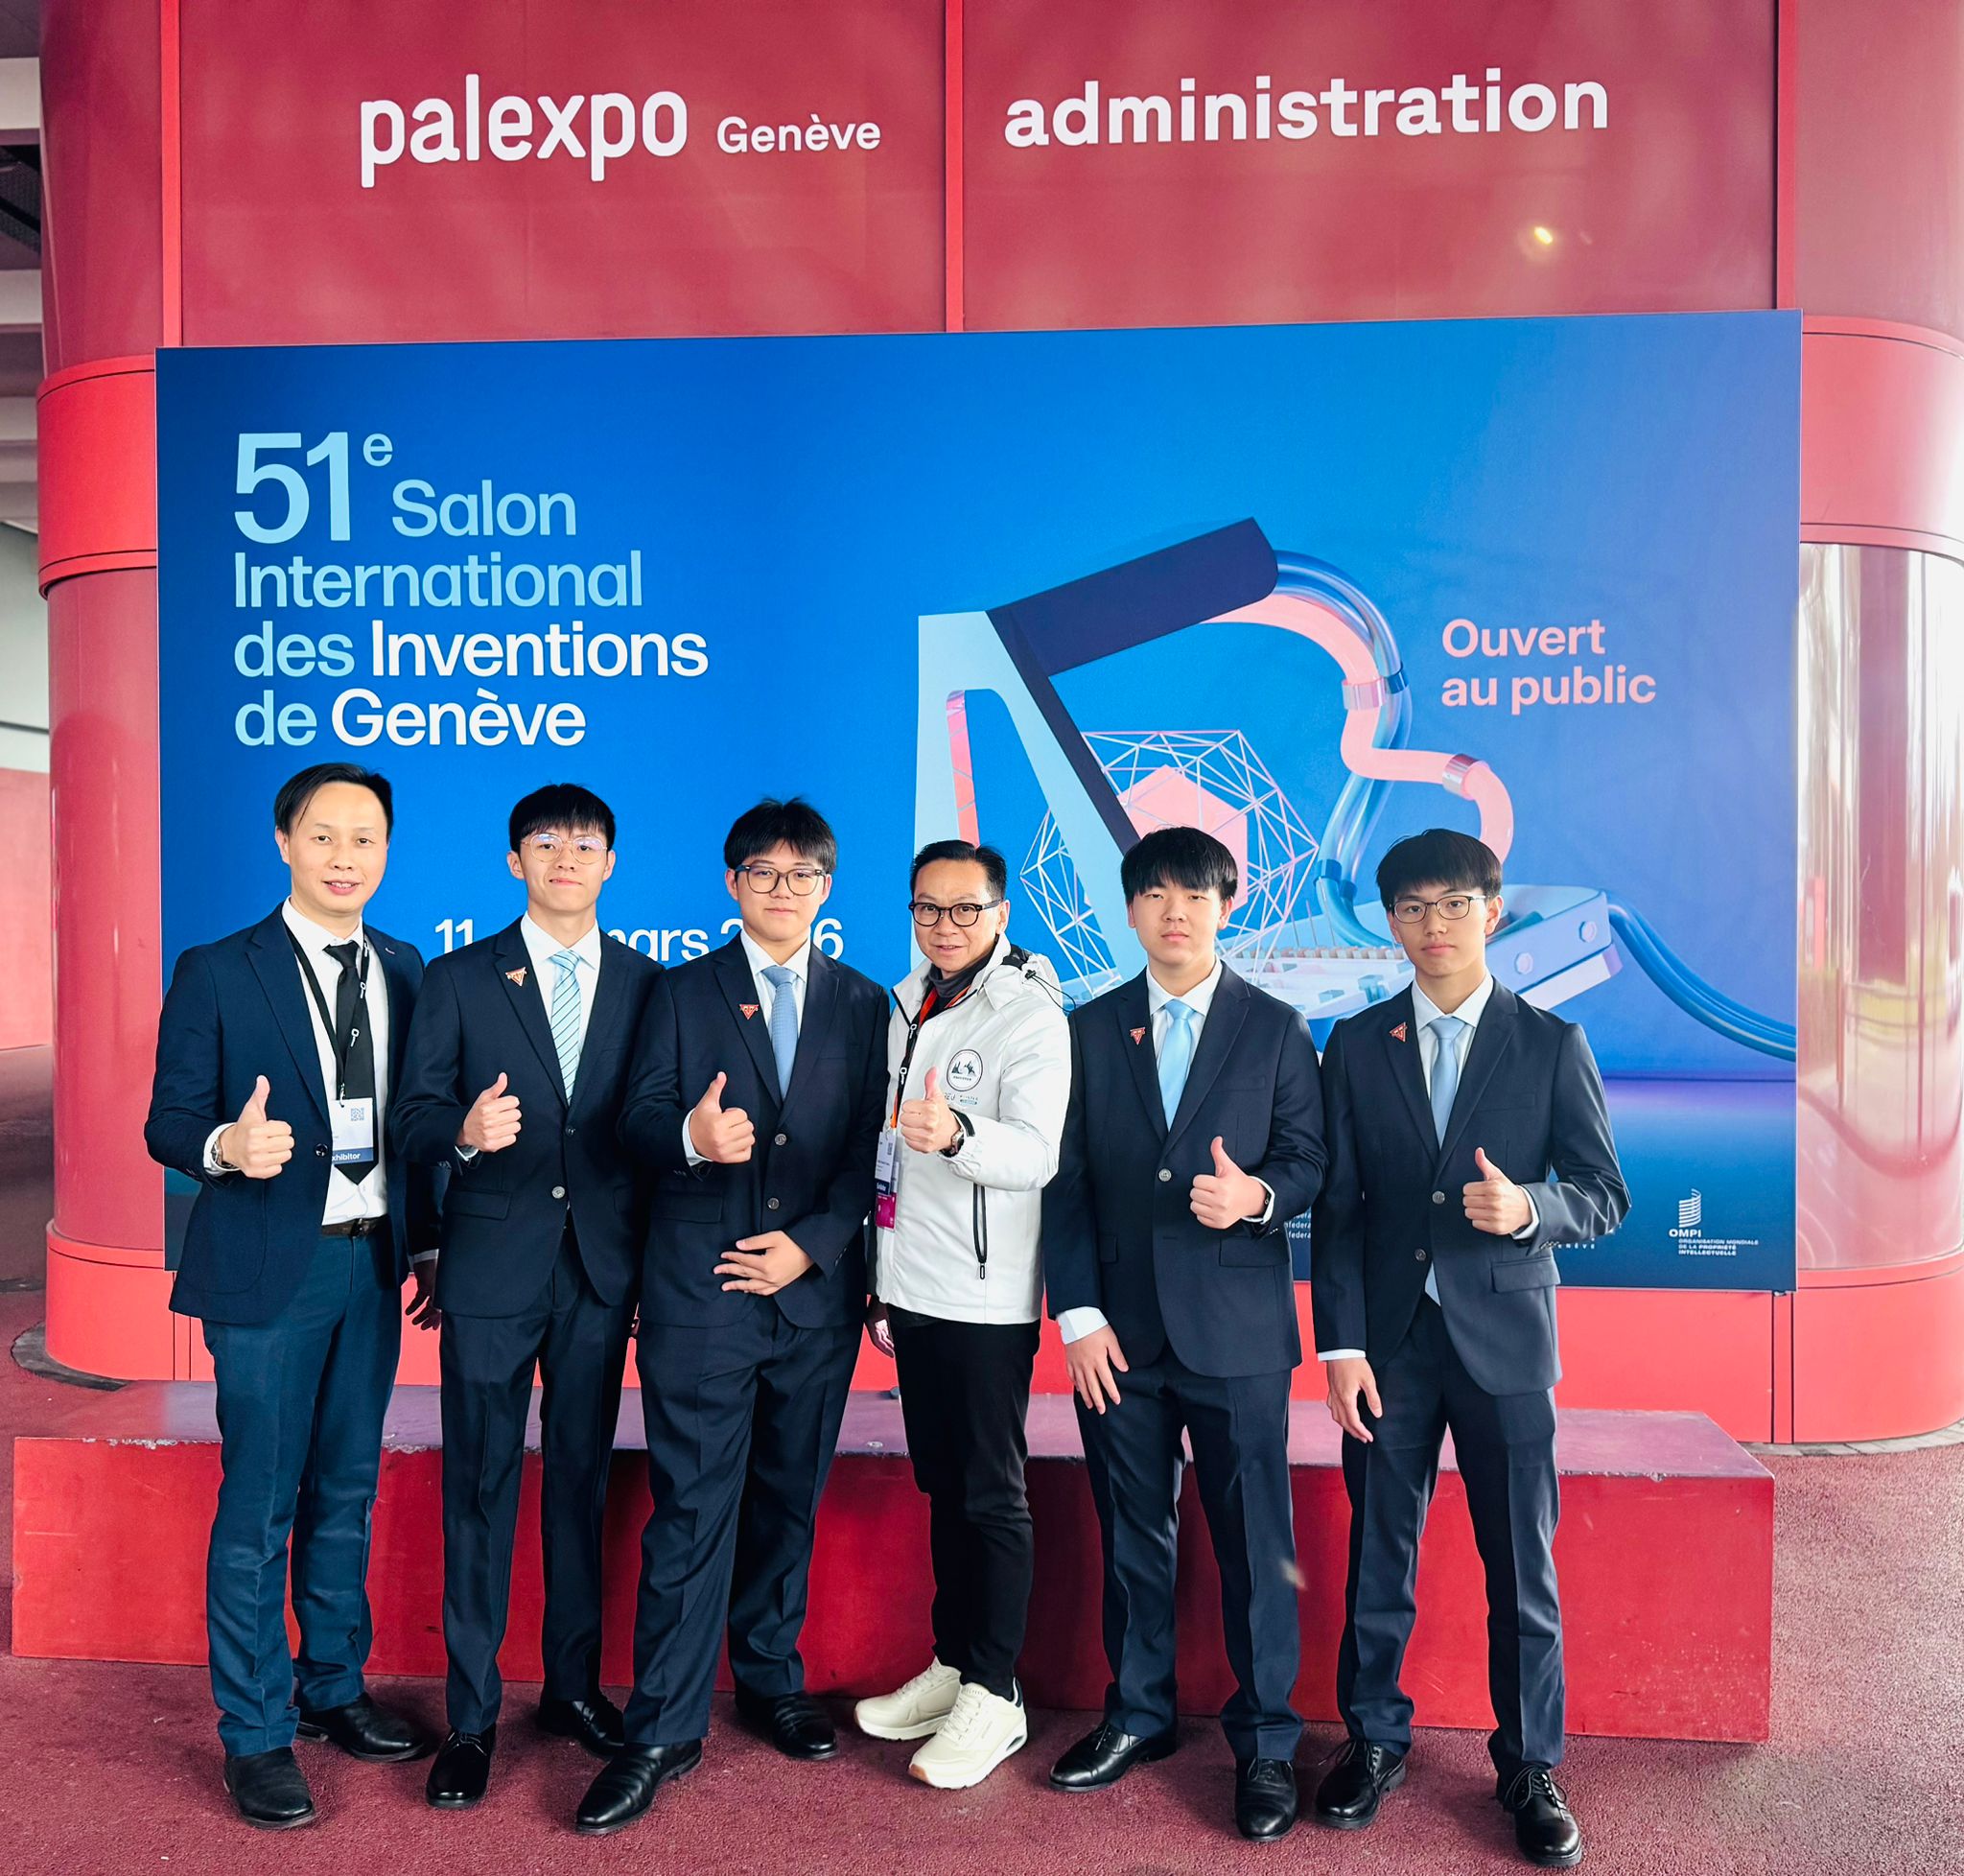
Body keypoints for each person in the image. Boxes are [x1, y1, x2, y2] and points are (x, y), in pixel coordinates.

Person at [1309, 829, 1629, 1869]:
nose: (1433, 925)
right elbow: (1339, 1211)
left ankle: (1529, 1764)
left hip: (1506, 1346)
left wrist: (1529, 1208)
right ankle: (1373, 1740)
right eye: (1411, 908)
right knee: (1378, 1554)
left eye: (1453, 904)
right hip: (1388, 1346)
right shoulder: (1357, 1044)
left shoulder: (1549, 1043)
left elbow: (1603, 1194)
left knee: (1521, 1566)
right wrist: (1340, 1346)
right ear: (1390, 924)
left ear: (1493, 911)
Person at [575, 798, 887, 1836]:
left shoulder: (865, 1001)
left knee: (788, 1499)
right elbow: (632, 1121)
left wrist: (814, 1244)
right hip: (700, 1291)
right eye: (763, 873)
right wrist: (693, 1139)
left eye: (801, 875)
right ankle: (661, 1728)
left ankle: (767, 1677)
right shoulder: (677, 991)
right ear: (731, 883)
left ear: (826, 888)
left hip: (812, 1296)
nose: (782, 890)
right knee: (692, 1508)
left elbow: (869, 1149)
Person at [143, 762, 441, 1831]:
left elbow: (413, 1121)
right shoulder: (219, 970)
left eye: (365, 839)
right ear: (284, 842)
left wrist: (427, 1239)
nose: (344, 857)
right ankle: (257, 1732)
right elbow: (168, 1121)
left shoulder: (404, 966)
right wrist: (228, 1146)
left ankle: (331, 1688)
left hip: (371, 1265)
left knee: (346, 1489)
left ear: (386, 851)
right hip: (272, 1270)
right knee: (261, 1503)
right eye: (323, 836)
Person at [1042, 825, 1326, 1843]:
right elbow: (1063, 1183)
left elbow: (1308, 1160)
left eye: (1196, 895)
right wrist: (1076, 1314)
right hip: (1116, 1338)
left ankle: (1267, 1742)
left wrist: (1256, 1197)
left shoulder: (1276, 1028)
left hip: (1237, 1333)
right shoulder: (1087, 1028)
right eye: (1156, 894)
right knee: (1133, 1530)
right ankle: (1139, 1713)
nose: (1176, 912)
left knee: (1256, 1539)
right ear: (1129, 910)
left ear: (1225, 906)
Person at [391, 783, 663, 1810]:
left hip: (598, 1271)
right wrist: (461, 1133)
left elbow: (652, 1128)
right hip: (492, 1269)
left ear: (610, 863)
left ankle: (572, 1688)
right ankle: (470, 1718)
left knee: (581, 1483)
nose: (565, 858)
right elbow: (413, 1116)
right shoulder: (459, 978)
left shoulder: (648, 984)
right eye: (545, 843)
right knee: (480, 1486)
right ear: (515, 861)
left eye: (585, 844)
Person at [853, 839, 1070, 1789]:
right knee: (943, 1486)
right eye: (928, 909)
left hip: (985, 1297)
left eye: (965, 909)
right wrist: (879, 1274)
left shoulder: (1028, 1013)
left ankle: (996, 1692)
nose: (945, 926)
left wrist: (958, 1134)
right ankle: (953, 1662)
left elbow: (1036, 1154)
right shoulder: (907, 1002)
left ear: (1000, 913)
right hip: (914, 1287)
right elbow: (882, 1159)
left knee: (989, 1494)